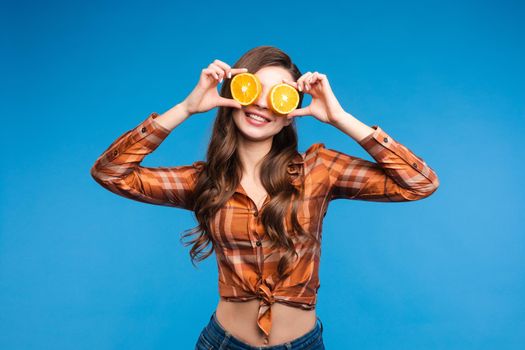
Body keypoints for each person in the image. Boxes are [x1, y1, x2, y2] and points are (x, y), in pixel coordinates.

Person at [90, 45, 440, 349]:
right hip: (223, 343)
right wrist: (185, 108)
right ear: (233, 95)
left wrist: (340, 118)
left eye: (279, 95)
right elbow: (110, 172)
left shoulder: (320, 169)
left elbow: (419, 183)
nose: (261, 103)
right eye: (252, 88)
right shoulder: (203, 181)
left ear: (290, 114)